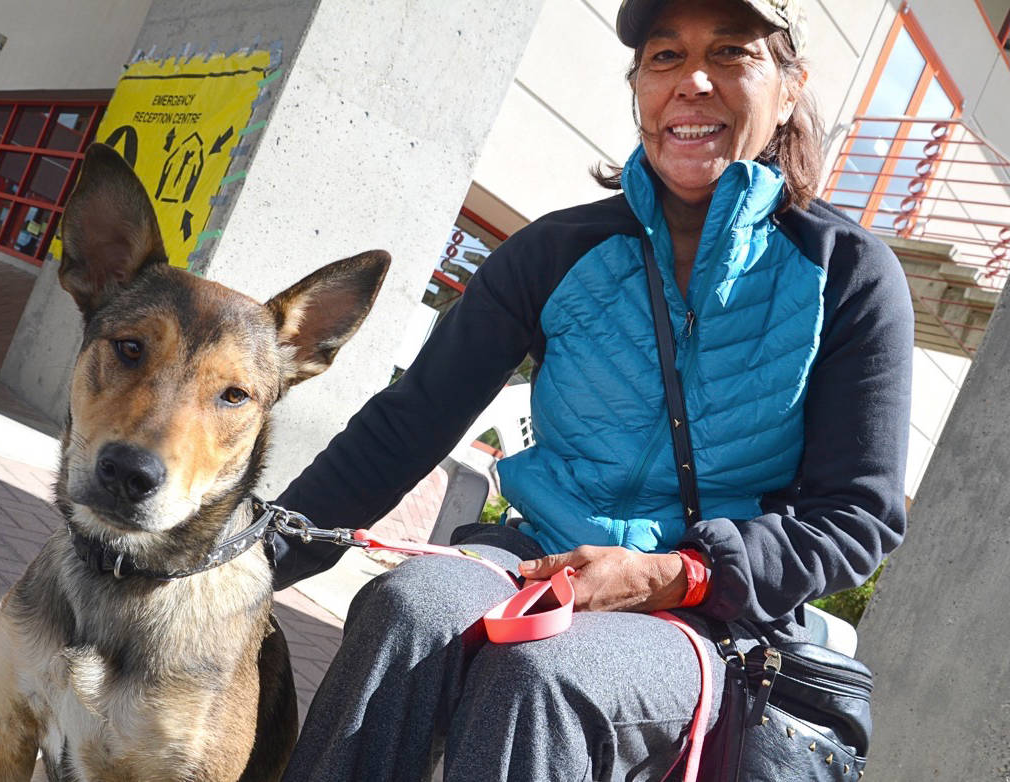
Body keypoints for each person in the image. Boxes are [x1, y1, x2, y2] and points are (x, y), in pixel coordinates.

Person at [270, 0, 913, 779]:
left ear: (788, 89)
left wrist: (671, 574)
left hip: (707, 608)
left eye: (733, 54)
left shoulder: (847, 274)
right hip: (535, 554)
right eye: (665, 56)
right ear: (638, 85)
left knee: (543, 672)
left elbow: (855, 517)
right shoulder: (555, 249)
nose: (693, 82)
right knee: (408, 607)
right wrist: (247, 562)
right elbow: (406, 426)